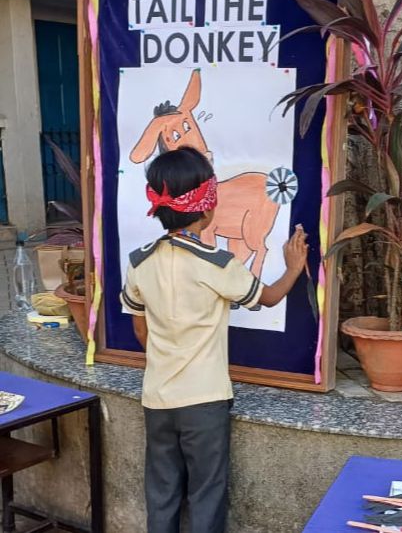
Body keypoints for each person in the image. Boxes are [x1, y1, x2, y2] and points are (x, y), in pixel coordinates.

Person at [120, 147, 308, 533]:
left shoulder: (139, 261)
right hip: (204, 400)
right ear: (208, 208)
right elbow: (268, 297)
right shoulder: (218, 264)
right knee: (206, 493)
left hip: (157, 398)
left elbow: (141, 330)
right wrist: (293, 268)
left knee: (161, 491)